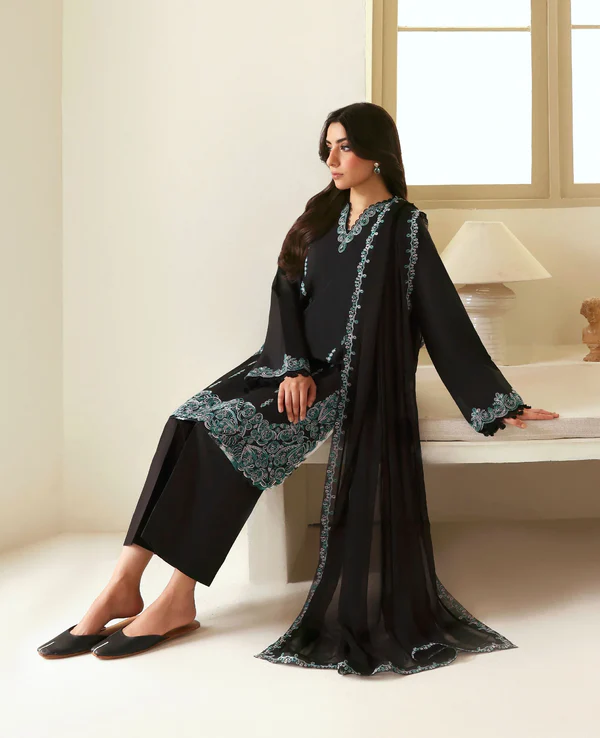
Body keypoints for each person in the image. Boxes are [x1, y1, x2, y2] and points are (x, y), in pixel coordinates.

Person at [37, 102, 559, 672]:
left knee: (226, 434)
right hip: (287, 367)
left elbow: (442, 313)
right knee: (187, 418)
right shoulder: (321, 214)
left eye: (345, 146)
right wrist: (291, 367)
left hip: (349, 379)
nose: (332, 158)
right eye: (328, 147)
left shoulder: (404, 226)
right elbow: (285, 289)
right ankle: (123, 583)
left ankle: (177, 597)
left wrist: (497, 402)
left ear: (377, 153)